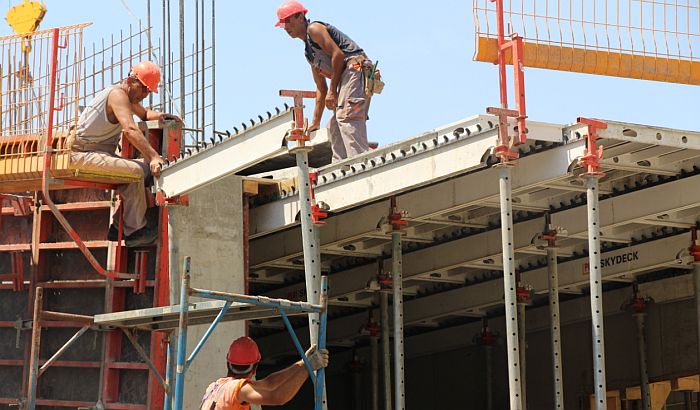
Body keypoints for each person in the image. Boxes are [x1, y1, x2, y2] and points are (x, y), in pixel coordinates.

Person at [70, 61, 180, 247]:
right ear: (131, 80)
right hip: (84, 154)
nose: (145, 95)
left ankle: (118, 226)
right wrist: (154, 156)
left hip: (95, 153)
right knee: (139, 173)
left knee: (136, 173)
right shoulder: (118, 96)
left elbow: (144, 114)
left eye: (148, 92)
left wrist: (162, 116)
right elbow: (130, 129)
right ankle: (135, 231)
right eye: (143, 89)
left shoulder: (125, 96)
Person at [276, 1, 376, 162]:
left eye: (288, 20)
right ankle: (342, 167)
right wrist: (315, 122)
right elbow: (320, 88)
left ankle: (360, 163)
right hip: (346, 76)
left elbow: (338, 55)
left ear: (301, 16)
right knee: (336, 125)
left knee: (347, 116)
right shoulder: (309, 53)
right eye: (283, 23)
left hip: (355, 68)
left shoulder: (314, 29)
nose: (286, 27)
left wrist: (332, 90)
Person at [200, 336, 329, 409]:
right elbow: (278, 398)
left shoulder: (216, 386)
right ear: (255, 368)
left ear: (228, 362)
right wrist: (307, 368)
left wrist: (302, 363)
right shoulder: (238, 389)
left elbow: (268, 383)